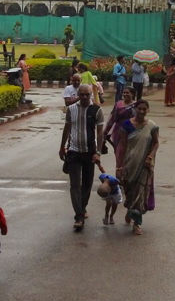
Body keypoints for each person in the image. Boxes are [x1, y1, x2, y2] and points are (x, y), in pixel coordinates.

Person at [60, 84, 104, 232]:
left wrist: (98, 152)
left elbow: (100, 133)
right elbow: (67, 128)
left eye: (87, 94)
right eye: (82, 94)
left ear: (91, 94)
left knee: (87, 183)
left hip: (89, 152)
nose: (84, 97)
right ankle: (79, 216)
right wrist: (62, 147)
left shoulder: (96, 110)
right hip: (73, 151)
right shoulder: (71, 109)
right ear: (78, 94)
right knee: (74, 185)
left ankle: (82, 208)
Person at [114, 99, 159, 236]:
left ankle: (137, 223)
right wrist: (119, 166)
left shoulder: (152, 126)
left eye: (144, 109)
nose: (141, 111)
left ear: (148, 110)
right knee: (130, 192)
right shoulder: (126, 125)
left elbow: (156, 143)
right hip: (129, 164)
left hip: (144, 165)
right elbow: (121, 146)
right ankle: (130, 210)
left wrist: (150, 156)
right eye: (139, 108)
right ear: (135, 110)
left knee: (140, 195)